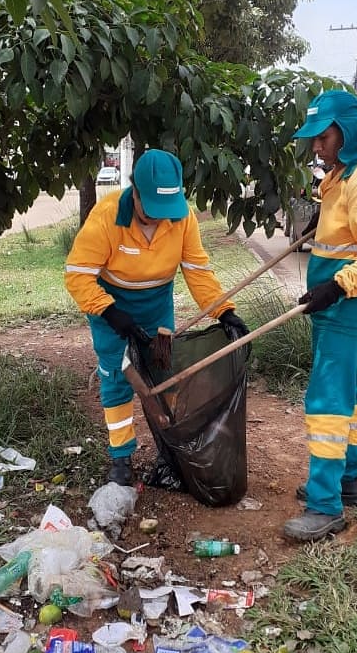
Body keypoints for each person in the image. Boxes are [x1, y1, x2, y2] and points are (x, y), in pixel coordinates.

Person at [64, 149, 249, 486]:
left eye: (168, 211)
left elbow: (197, 270)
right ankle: (121, 457)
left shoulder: (183, 217)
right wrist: (109, 311)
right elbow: (77, 276)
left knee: (165, 375)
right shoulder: (106, 217)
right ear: (134, 193)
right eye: (152, 210)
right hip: (111, 307)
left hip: (156, 307)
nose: (161, 219)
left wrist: (225, 311)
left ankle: (172, 449)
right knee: (118, 380)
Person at [283, 90, 357, 542]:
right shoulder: (342, 176)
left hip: (353, 308)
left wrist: (335, 287)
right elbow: (346, 235)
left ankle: (325, 505)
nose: (316, 146)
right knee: (346, 397)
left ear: (348, 132)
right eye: (313, 138)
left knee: (327, 402)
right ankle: (348, 483)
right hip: (337, 310)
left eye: (323, 136)